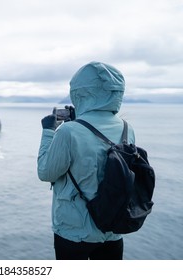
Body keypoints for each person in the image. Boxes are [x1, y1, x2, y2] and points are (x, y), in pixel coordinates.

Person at [37, 61, 135, 260]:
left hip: (74, 233)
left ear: (80, 93)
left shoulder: (68, 131)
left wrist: (48, 131)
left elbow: (45, 172)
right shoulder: (127, 128)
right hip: (112, 229)